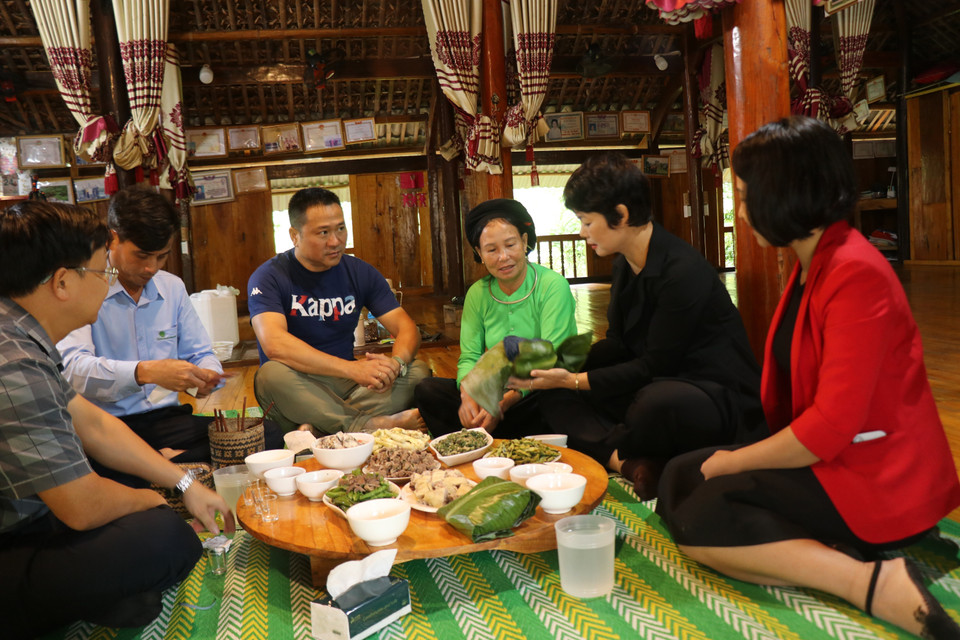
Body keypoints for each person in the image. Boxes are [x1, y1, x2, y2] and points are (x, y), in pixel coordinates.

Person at [655, 116, 960, 639]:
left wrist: (736, 460)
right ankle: (830, 544)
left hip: (874, 471)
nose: (742, 210)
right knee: (680, 476)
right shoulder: (813, 259)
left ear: (786, 193)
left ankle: (867, 582)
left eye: (747, 196)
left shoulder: (854, 271)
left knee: (702, 516)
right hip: (835, 454)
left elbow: (828, 430)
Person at [0, 200, 234, 638]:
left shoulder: (20, 336)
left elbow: (93, 424)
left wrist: (184, 484)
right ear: (63, 282)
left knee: (139, 572)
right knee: (165, 537)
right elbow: (83, 506)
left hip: (41, 516)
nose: (108, 284)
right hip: (15, 538)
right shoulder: (12, 363)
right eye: (100, 272)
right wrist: (157, 500)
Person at [513, 152, 765, 499]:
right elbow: (617, 343)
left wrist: (575, 379)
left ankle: (610, 445)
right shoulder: (623, 265)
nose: (583, 232)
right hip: (650, 382)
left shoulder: (681, 270)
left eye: (586, 221)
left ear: (621, 214)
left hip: (708, 393)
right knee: (554, 393)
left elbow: (654, 365)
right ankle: (626, 460)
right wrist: (558, 367)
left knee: (652, 404)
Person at [57, 189, 282, 480]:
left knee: (268, 435)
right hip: (105, 424)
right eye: (141, 255)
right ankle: (169, 466)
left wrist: (206, 377)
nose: (152, 267)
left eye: (162, 256)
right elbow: (74, 371)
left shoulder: (171, 287)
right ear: (112, 238)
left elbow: (200, 353)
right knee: (93, 464)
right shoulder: (86, 287)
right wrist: (145, 372)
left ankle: (156, 465)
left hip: (167, 421)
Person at [249, 187, 429, 434]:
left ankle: (320, 427)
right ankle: (366, 425)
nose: (335, 241)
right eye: (323, 232)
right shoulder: (269, 276)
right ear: (294, 235)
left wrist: (396, 364)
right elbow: (274, 345)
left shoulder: (359, 271)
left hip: (348, 386)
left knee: (418, 370)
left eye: (341, 229)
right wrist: (352, 369)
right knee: (270, 375)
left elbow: (407, 328)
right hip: (297, 383)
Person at [415, 199, 578, 437]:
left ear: (524, 242)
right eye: (491, 249)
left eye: (510, 244)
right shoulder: (478, 293)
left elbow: (551, 359)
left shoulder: (552, 286)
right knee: (428, 389)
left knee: (555, 395)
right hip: (491, 391)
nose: (503, 257)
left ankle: (494, 437)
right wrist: (469, 394)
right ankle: (477, 441)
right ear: (479, 254)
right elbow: (469, 356)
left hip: (534, 390)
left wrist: (504, 402)